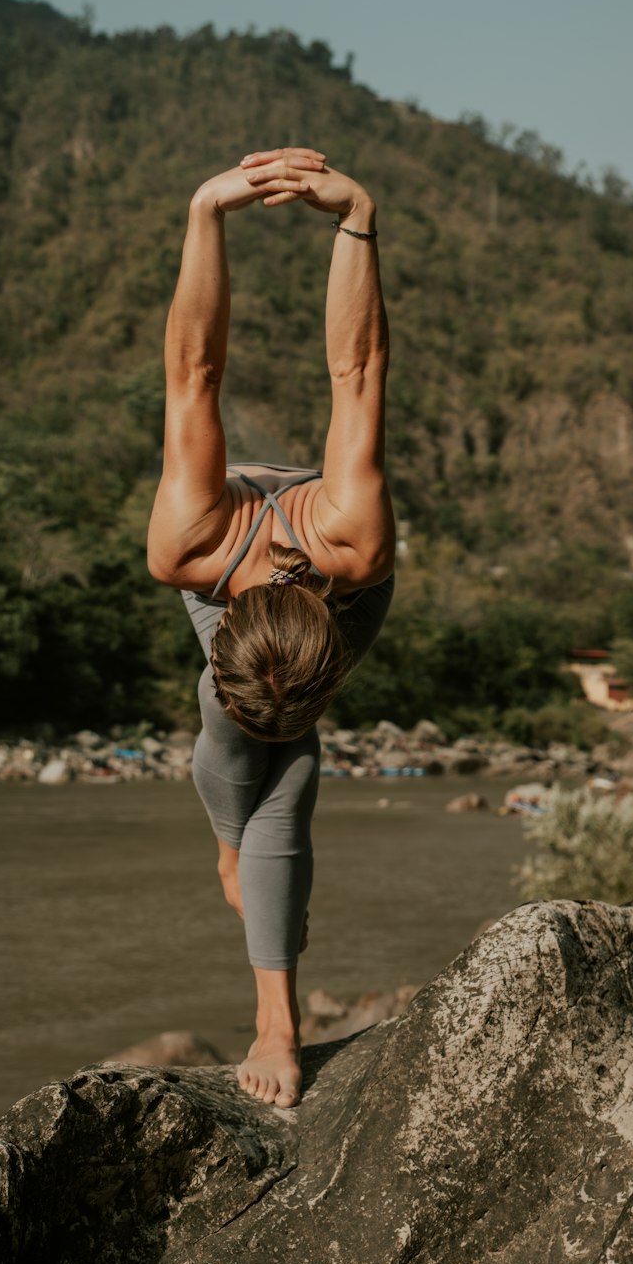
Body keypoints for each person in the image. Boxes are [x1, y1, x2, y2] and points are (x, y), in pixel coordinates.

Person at [147, 146, 395, 1108]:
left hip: (328, 569)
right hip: (239, 528)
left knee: (288, 772)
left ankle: (276, 1020)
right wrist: (205, 209)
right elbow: (193, 372)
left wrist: (359, 215)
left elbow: (358, 369)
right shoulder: (190, 544)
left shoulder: (354, 542)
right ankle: (226, 835)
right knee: (232, 729)